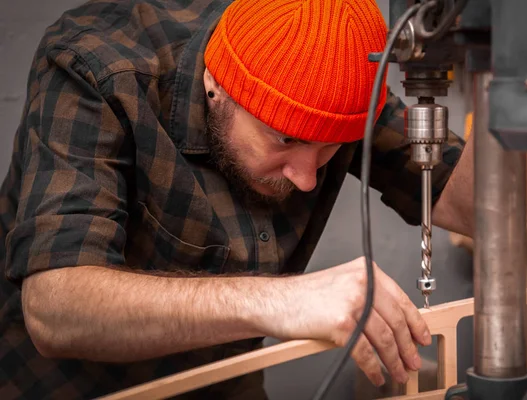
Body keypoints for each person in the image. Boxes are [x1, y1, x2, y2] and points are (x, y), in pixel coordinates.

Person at [0, 0, 472, 398]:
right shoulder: (98, 66)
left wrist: (508, 76)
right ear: (217, 86)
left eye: (329, 148)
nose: (307, 178)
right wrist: (282, 301)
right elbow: (54, 309)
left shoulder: (338, 91)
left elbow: (474, 210)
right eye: (284, 140)